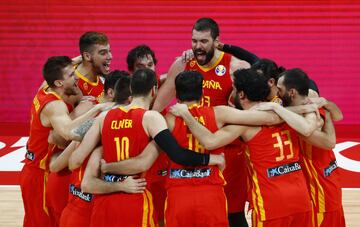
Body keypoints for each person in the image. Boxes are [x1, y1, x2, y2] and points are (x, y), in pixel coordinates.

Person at [70, 68, 224, 226]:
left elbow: (74, 160)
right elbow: (177, 155)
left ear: (131, 88)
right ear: (154, 90)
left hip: (104, 203)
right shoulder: (151, 118)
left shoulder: (103, 117)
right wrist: (211, 158)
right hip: (135, 197)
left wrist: (96, 113)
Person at [170, 69, 317, 227]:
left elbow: (210, 141)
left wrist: (186, 115)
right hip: (301, 198)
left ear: (241, 95)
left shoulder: (244, 126)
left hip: (271, 203)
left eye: (234, 89)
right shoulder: (289, 117)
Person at [152, 17, 251, 226]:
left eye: (204, 41)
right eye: (194, 41)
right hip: (188, 152)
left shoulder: (235, 67)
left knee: (233, 214)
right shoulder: (182, 64)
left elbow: (248, 106)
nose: (198, 46)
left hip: (225, 153)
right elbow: (157, 105)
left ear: (216, 41)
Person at [19, 56, 109, 227]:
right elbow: (70, 133)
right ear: (59, 83)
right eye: (70, 75)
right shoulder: (55, 106)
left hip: (33, 170)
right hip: (40, 176)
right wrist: (97, 108)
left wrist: (81, 57)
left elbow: (62, 67)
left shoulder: (46, 87)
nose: (76, 77)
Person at [275, 69, 345, 227]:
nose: (277, 94)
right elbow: (338, 115)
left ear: (292, 92)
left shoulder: (304, 121)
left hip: (320, 192)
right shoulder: (313, 105)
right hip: (328, 182)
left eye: (279, 89)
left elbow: (329, 142)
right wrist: (325, 105)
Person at [75, 31, 112, 103]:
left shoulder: (103, 77)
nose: (110, 57)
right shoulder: (72, 84)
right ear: (87, 56)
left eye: (109, 51)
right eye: (103, 53)